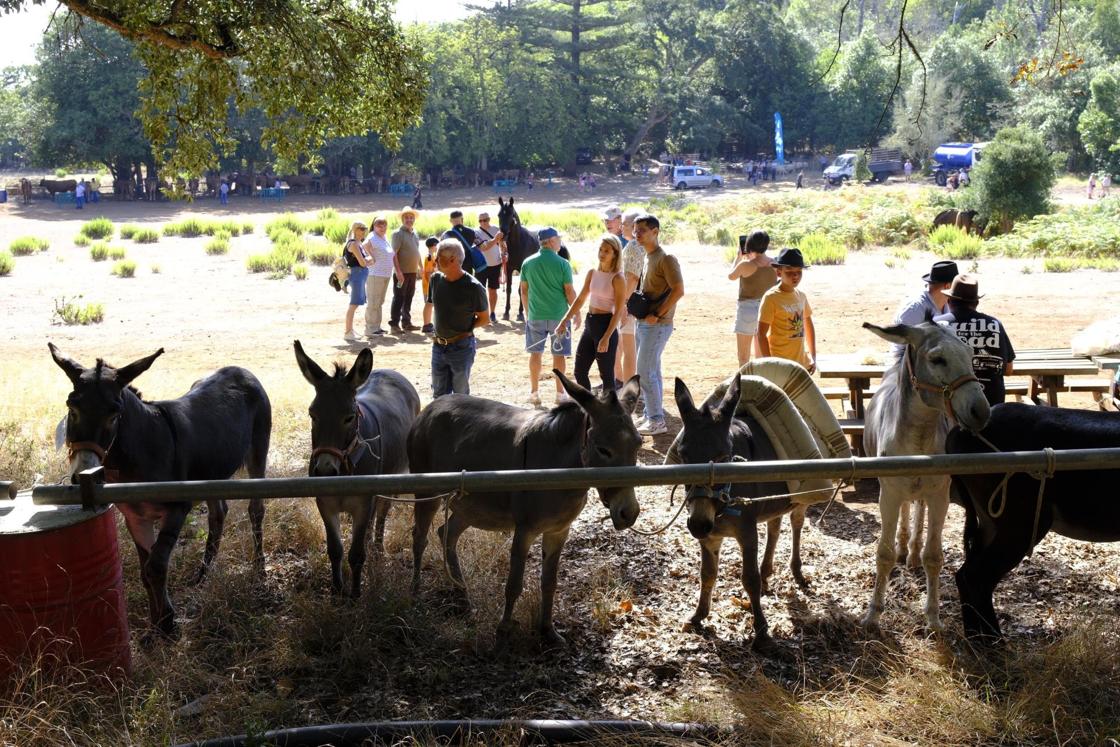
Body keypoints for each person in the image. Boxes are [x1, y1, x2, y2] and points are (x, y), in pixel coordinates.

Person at [633, 214, 684, 435]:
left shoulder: (666, 258)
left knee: (644, 371)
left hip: (657, 324)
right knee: (652, 370)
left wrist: (658, 314)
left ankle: (656, 420)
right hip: (645, 322)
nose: (637, 234)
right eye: (635, 230)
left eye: (642, 230)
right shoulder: (647, 256)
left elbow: (679, 290)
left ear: (655, 232)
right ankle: (651, 416)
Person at [555, 234, 627, 392]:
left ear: (615, 254)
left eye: (607, 251)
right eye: (601, 249)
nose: (602, 253)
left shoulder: (618, 278)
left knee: (607, 376)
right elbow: (580, 299)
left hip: (606, 325)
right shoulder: (592, 273)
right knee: (579, 372)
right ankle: (587, 408)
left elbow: (619, 311)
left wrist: (607, 337)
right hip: (590, 324)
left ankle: (610, 413)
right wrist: (564, 320)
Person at [934, 274, 1015, 406]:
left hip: (951, 408)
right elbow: (1008, 369)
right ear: (976, 303)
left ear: (949, 301)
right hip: (992, 408)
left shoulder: (937, 325)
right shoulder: (995, 324)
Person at [520, 226, 577, 406]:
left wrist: (528, 312)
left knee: (535, 354)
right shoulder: (563, 263)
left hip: (536, 314)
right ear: (551, 241)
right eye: (558, 239)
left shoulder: (528, 262)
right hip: (559, 317)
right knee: (558, 356)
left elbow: (523, 290)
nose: (560, 242)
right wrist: (575, 312)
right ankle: (560, 394)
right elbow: (569, 291)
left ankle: (534, 392)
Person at [427, 238, 489, 396]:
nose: (435, 261)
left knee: (460, 398)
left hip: (461, 347)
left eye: (438, 257)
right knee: (439, 396)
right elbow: (431, 305)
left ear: (453, 259)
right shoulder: (435, 280)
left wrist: (465, 329)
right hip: (438, 347)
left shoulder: (474, 288)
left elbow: (484, 318)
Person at [758, 248, 816, 373]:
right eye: (789, 271)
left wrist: (813, 356)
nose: (795, 276)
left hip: (801, 363)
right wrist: (770, 363)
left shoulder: (801, 296)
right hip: (780, 364)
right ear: (779, 272)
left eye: (799, 271)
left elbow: (808, 324)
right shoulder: (771, 297)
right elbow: (761, 334)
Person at [891, 259, 959, 358]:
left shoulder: (948, 304)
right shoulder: (915, 309)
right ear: (947, 286)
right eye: (955, 285)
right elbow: (900, 350)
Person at [728, 230, 776, 367]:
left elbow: (731, 276)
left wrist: (738, 258)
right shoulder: (775, 264)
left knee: (743, 358)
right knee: (761, 358)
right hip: (767, 310)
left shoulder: (745, 265)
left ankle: (744, 385)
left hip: (747, 310)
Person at [614, 209, 644, 388]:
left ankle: (628, 389)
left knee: (628, 349)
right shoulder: (643, 244)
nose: (621, 226)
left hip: (631, 303)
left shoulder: (633, 246)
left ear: (634, 226)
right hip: (638, 303)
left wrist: (623, 304)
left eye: (624, 223)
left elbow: (632, 278)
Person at [390, 207, 422, 333]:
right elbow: (394, 254)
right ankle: (394, 325)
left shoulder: (415, 233)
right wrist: (398, 272)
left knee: (409, 297)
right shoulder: (398, 234)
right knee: (399, 297)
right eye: (406, 217)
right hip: (401, 273)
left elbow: (417, 252)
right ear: (402, 219)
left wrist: (421, 267)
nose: (409, 220)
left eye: (411, 217)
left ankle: (406, 323)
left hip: (412, 272)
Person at [362, 215, 395, 338]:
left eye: (384, 225)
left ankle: (377, 326)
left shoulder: (384, 238)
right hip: (375, 274)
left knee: (379, 301)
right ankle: (370, 328)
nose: (382, 227)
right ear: (374, 226)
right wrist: (371, 256)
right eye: (379, 225)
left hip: (385, 274)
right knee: (373, 301)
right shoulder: (372, 236)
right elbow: (364, 246)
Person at [342, 222, 372, 342]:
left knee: (355, 303)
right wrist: (368, 260)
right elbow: (363, 262)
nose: (364, 231)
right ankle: (348, 331)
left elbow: (369, 260)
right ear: (355, 230)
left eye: (365, 229)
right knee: (353, 304)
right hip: (357, 275)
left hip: (360, 275)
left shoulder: (358, 243)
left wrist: (367, 260)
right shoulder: (353, 244)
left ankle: (350, 330)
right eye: (361, 229)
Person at [473, 211, 505, 323]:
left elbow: (503, 245)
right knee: (480, 291)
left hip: (495, 264)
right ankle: (483, 313)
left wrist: (505, 253)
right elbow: (484, 247)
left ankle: (492, 313)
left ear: (489, 219)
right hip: (481, 266)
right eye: (480, 220)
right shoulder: (475, 233)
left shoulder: (496, 229)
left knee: (493, 290)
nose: (482, 222)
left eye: (485, 220)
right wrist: (495, 239)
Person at [441, 210, 478, 275]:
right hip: (468, 262)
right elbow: (482, 245)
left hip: (453, 263)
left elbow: (441, 251)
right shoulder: (471, 231)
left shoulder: (447, 234)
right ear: (462, 219)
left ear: (450, 221)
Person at [421, 236, 438, 333]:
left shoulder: (433, 256)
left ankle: (432, 323)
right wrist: (432, 284)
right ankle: (427, 324)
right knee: (430, 304)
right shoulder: (429, 257)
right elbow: (427, 273)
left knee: (433, 304)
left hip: (430, 284)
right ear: (434, 245)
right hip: (428, 285)